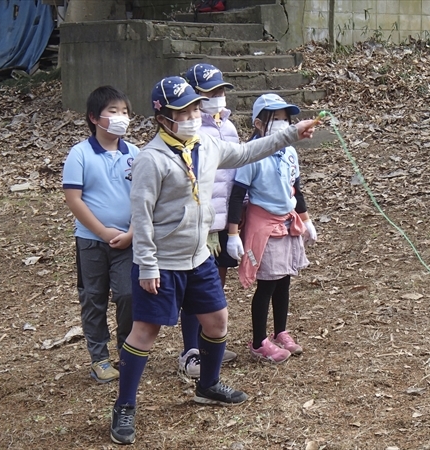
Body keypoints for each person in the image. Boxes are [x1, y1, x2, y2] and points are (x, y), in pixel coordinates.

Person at [110, 77, 316, 445]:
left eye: (193, 108)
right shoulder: (150, 159)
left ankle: (208, 385)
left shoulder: (207, 143)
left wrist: (291, 134)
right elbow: (140, 216)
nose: (191, 115)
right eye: (182, 111)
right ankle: (124, 405)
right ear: (163, 118)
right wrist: (147, 264)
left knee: (218, 321)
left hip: (199, 257)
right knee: (145, 332)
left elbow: (248, 153)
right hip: (163, 261)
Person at [226, 93, 318, 364]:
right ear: (258, 123)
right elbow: (236, 194)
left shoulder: (289, 151)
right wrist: (233, 233)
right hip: (263, 225)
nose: (282, 124)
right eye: (274, 119)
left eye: (285, 119)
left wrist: (307, 220)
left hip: (287, 222)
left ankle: (280, 331)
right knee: (267, 283)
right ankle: (258, 342)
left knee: (285, 279)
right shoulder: (251, 155)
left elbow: (295, 188)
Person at [62, 86, 139, 383]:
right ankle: (100, 358)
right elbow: (74, 199)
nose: (121, 118)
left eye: (125, 112)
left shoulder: (135, 153)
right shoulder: (79, 154)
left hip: (128, 241)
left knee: (128, 294)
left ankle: (128, 351)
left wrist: (132, 232)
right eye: (113, 112)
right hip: (91, 242)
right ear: (94, 117)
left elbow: (145, 198)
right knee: (93, 297)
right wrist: (102, 231)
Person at [175, 63, 239, 380]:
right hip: (199, 224)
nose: (219, 97)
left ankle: (210, 342)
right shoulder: (189, 130)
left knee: (216, 284)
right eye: (212, 92)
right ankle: (190, 350)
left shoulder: (228, 128)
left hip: (226, 219)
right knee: (195, 290)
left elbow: (237, 171)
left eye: (221, 90)